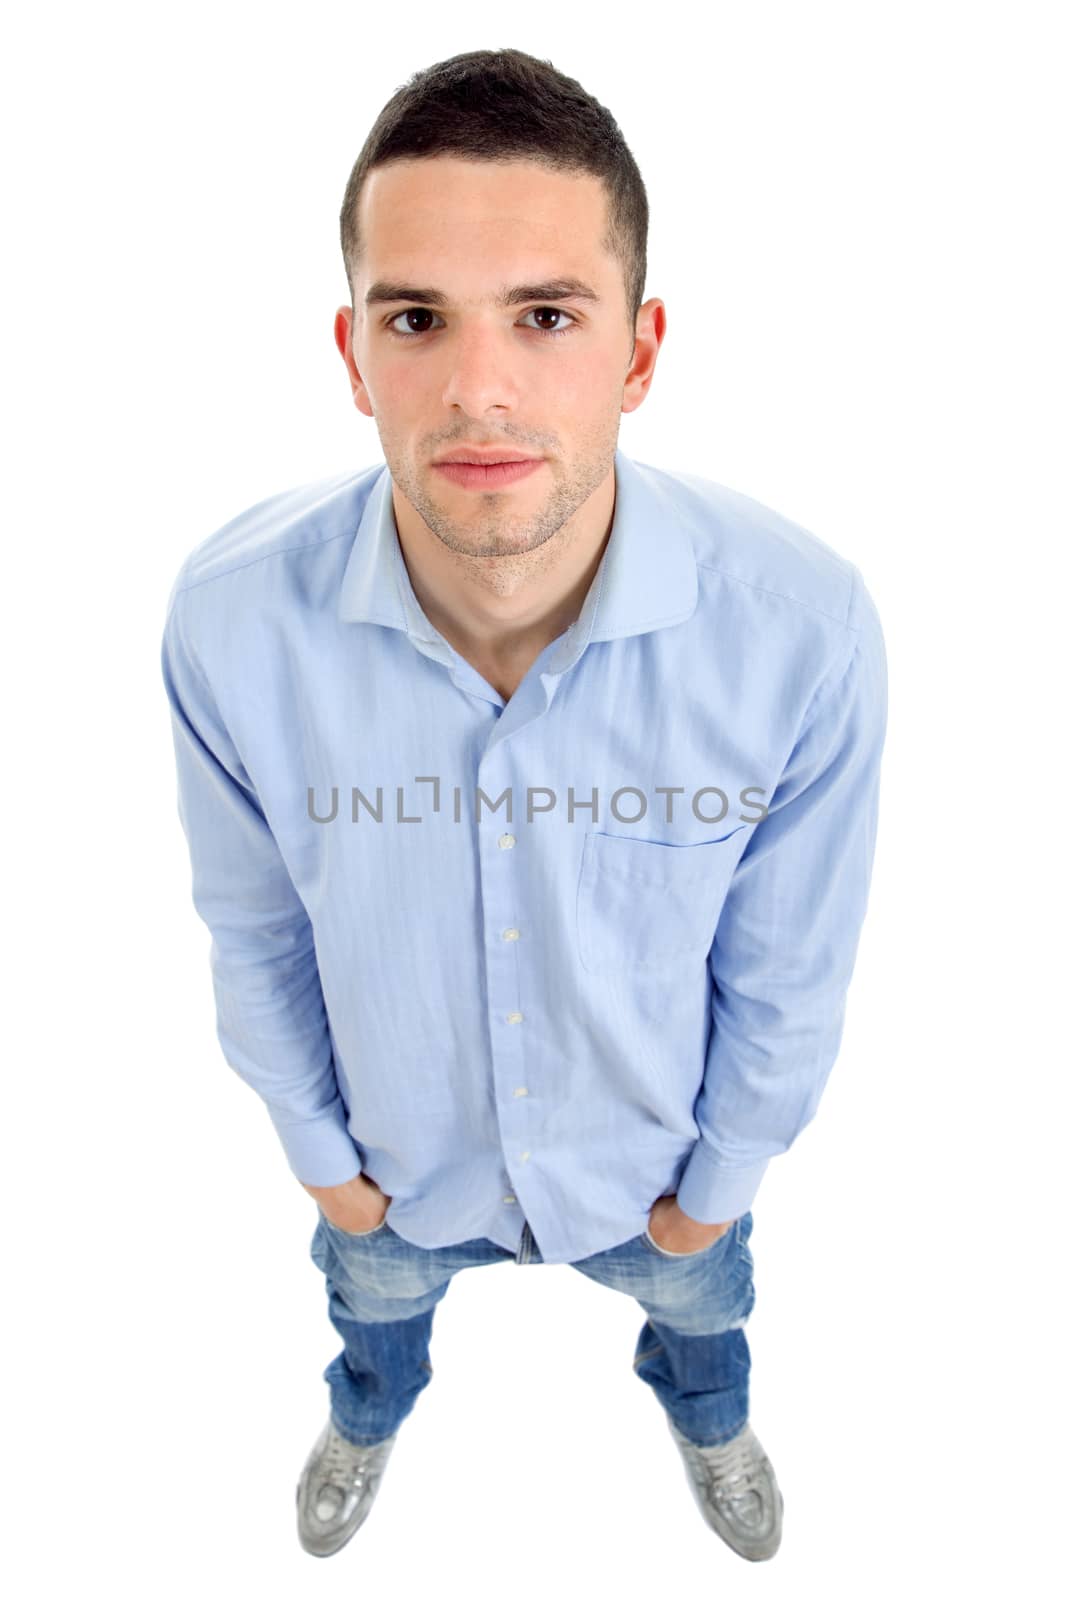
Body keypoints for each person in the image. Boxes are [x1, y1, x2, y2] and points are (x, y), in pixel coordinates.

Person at [160, 47, 888, 1566]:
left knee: (708, 1330)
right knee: (369, 1333)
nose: (478, 387)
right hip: (393, 1178)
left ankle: (709, 1417)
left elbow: (789, 971)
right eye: (417, 318)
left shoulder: (800, 629)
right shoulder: (230, 623)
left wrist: (712, 1199)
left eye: (546, 316)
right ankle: (367, 1416)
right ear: (356, 355)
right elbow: (252, 926)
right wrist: (325, 1171)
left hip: (658, 1181)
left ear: (637, 350)